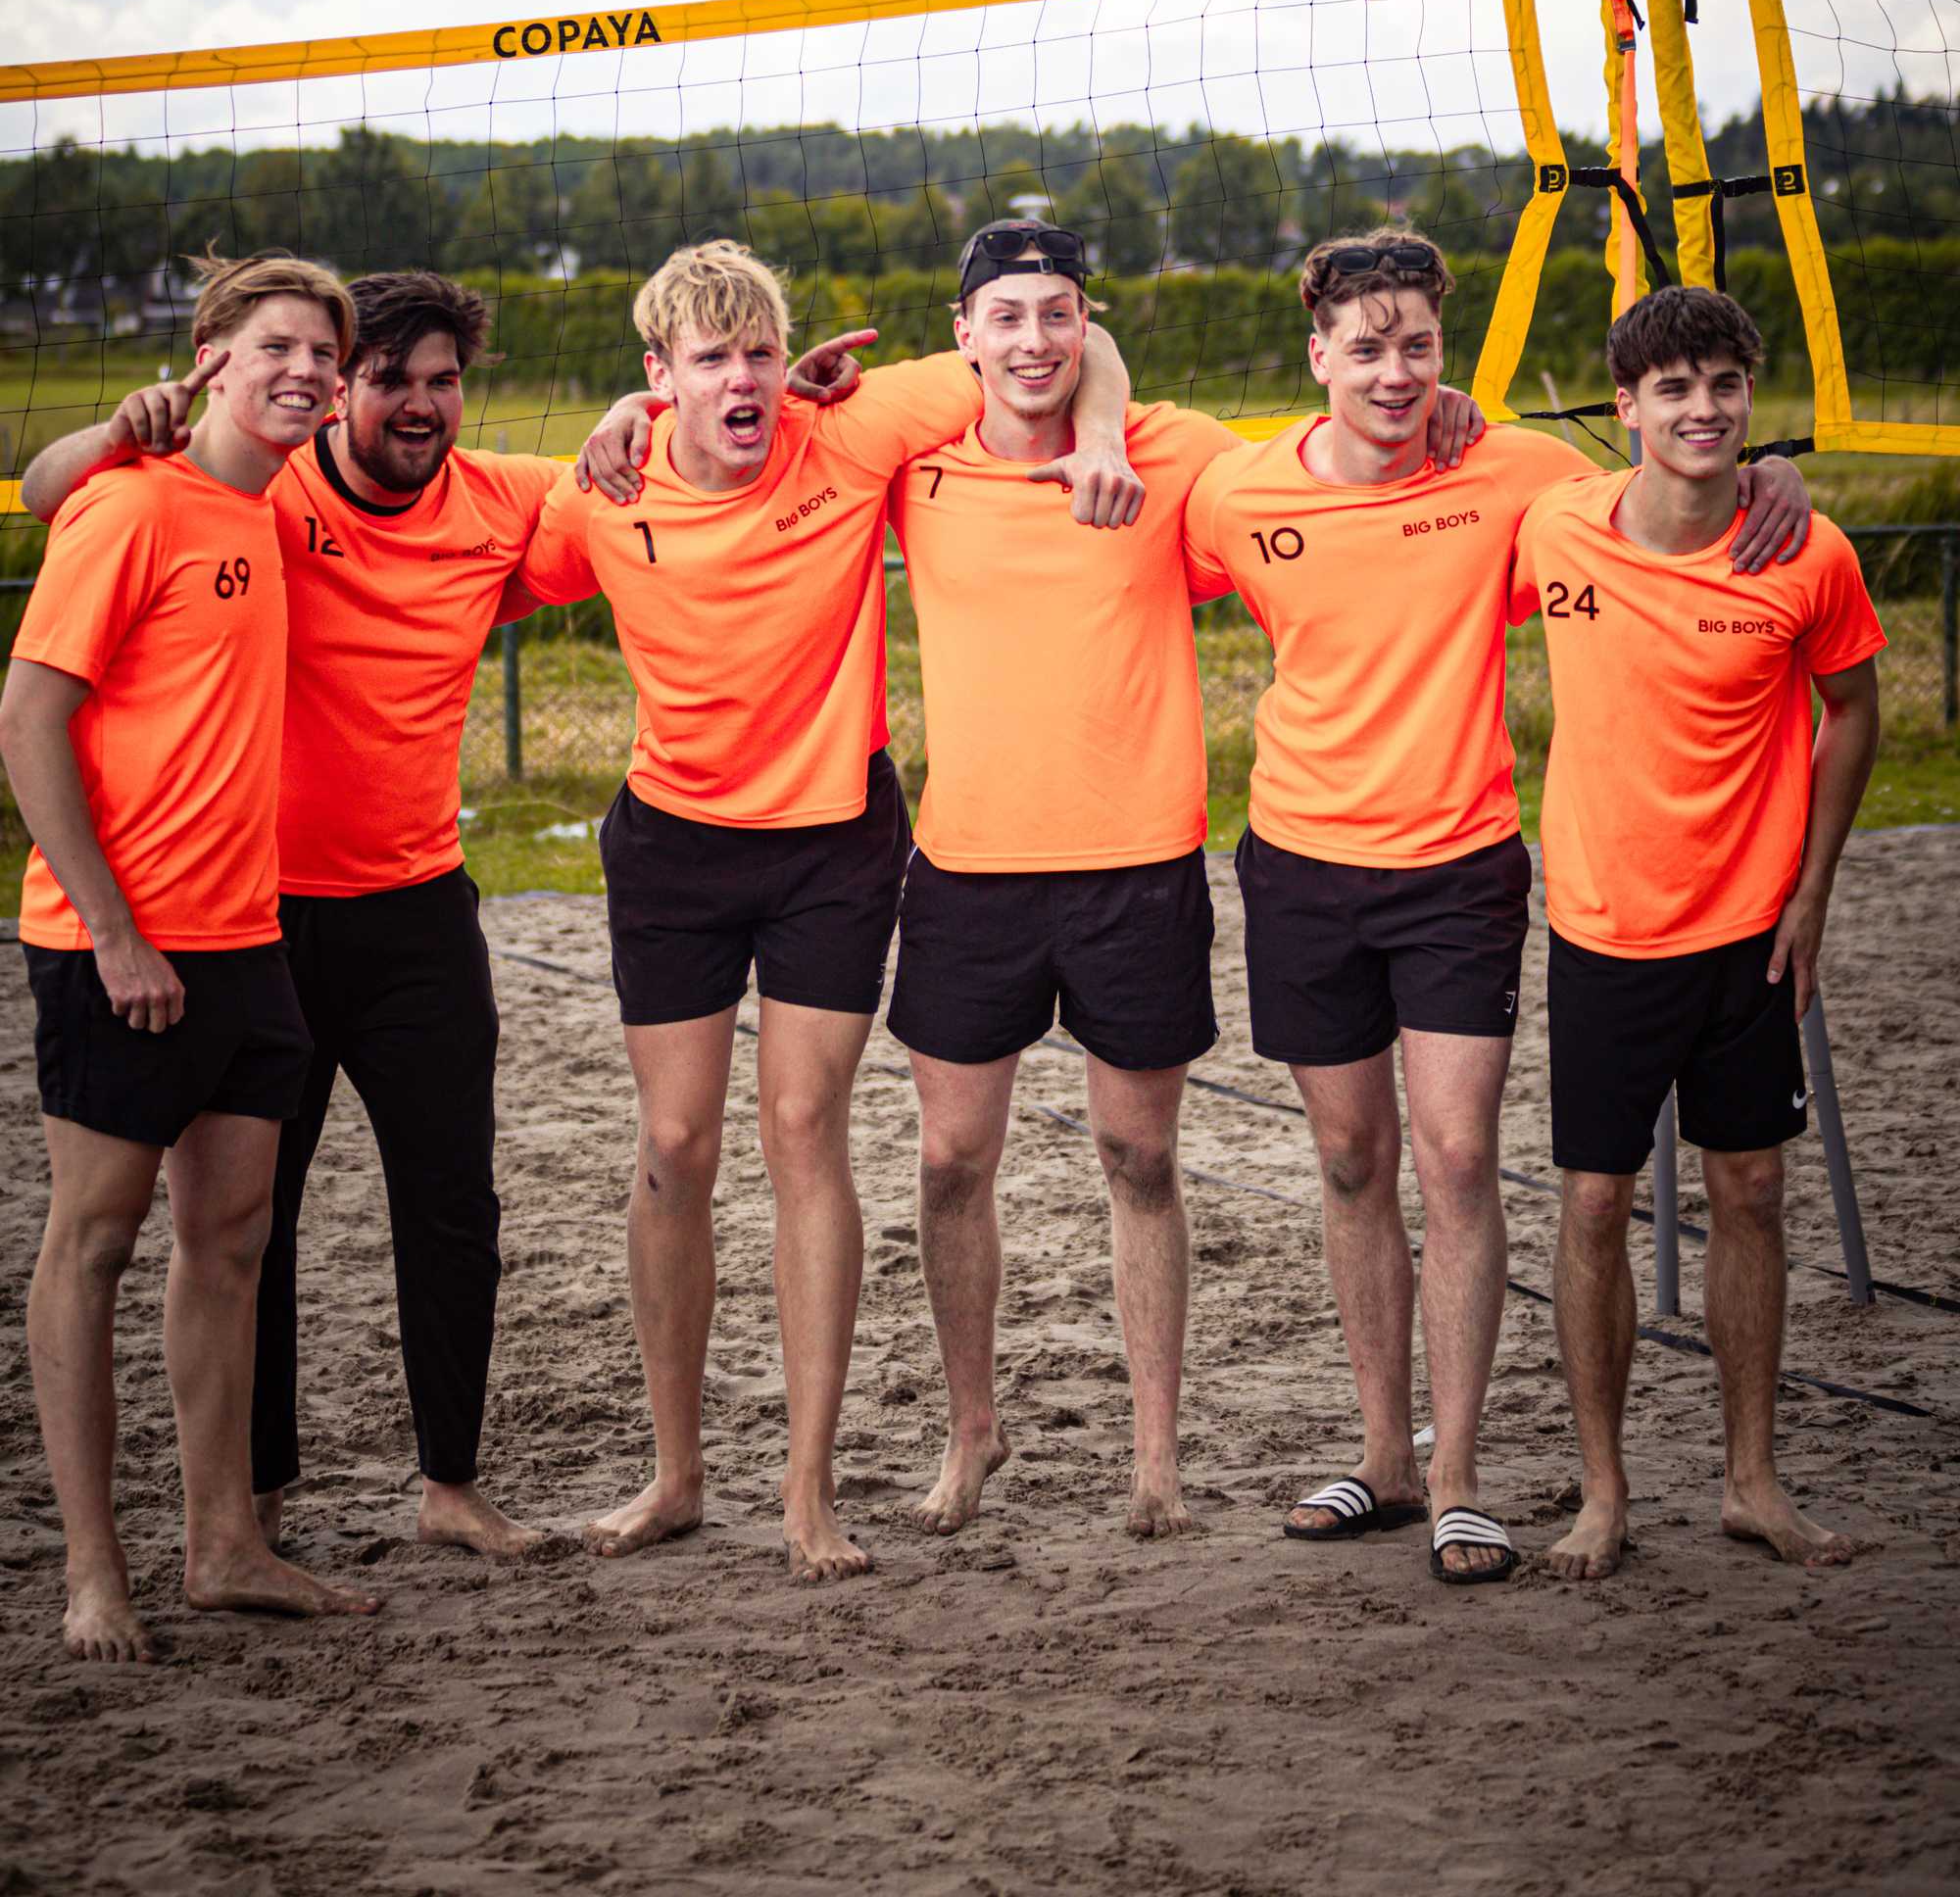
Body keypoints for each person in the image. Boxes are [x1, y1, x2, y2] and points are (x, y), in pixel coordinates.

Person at [22, 268, 871, 1561]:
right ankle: (250, 1503)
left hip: (420, 898)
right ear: (340, 387)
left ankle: (451, 1482)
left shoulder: (501, 501)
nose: (419, 404)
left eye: (442, 381)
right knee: (257, 1220)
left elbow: (653, 470)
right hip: (262, 906)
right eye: (387, 378)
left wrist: (626, 420)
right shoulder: (265, 484)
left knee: (452, 1204)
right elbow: (66, 493)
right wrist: (120, 427)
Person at [1182, 228, 1811, 1584]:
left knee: (1461, 1160)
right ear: (1318, 357)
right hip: (1297, 863)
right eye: (1367, 348)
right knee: (1353, 1160)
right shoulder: (1233, 495)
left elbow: (1670, 484)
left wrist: (1772, 464)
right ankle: (1386, 1461)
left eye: (1418, 346)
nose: (1396, 372)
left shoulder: (1512, 468)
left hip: (1461, 865)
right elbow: (1110, 501)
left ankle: (1461, 1480)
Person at [525, 238, 1142, 1581]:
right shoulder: (600, 491)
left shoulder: (847, 429)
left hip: (831, 844)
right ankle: (677, 1474)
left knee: (804, 1128)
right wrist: (605, 435)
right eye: (708, 360)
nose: (742, 378)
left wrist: (1097, 431)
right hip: (674, 847)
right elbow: (451, 531)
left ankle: (807, 1492)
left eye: (758, 351)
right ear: (658, 377)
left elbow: (1057, 345)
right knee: (675, 1148)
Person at [0, 254, 380, 1661]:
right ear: (208, 354)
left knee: (227, 1246)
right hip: (121, 947)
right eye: (276, 345)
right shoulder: (131, 503)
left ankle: (225, 1545)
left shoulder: (262, 509)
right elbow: (28, 719)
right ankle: (94, 1574)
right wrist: (112, 932)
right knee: (91, 1247)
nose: (307, 373)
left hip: (245, 943)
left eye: (323, 358)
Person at [1512, 286, 1882, 1580]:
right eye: (1674, 388)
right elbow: (1431, 498)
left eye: (1726, 385)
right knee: (1597, 1205)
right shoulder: (1557, 524)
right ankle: (1603, 1494)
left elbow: (1854, 712)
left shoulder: (1807, 554)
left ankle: (1753, 1484)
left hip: (1746, 930)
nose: (1705, 408)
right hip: (1605, 929)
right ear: (1625, 408)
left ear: (1748, 397)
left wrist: (1814, 889)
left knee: (1753, 1191)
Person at [886, 224, 1248, 1539]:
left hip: (1136, 869)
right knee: (946, 1164)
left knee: (1139, 1158)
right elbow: (739, 424)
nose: (1035, 339)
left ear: (1087, 325)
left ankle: (1156, 1453)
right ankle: (971, 1428)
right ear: (963, 330)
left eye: (1061, 314)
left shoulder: (1170, 453)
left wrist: (1436, 408)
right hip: (969, 870)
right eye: (1009, 315)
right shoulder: (911, 468)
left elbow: (1328, 474)